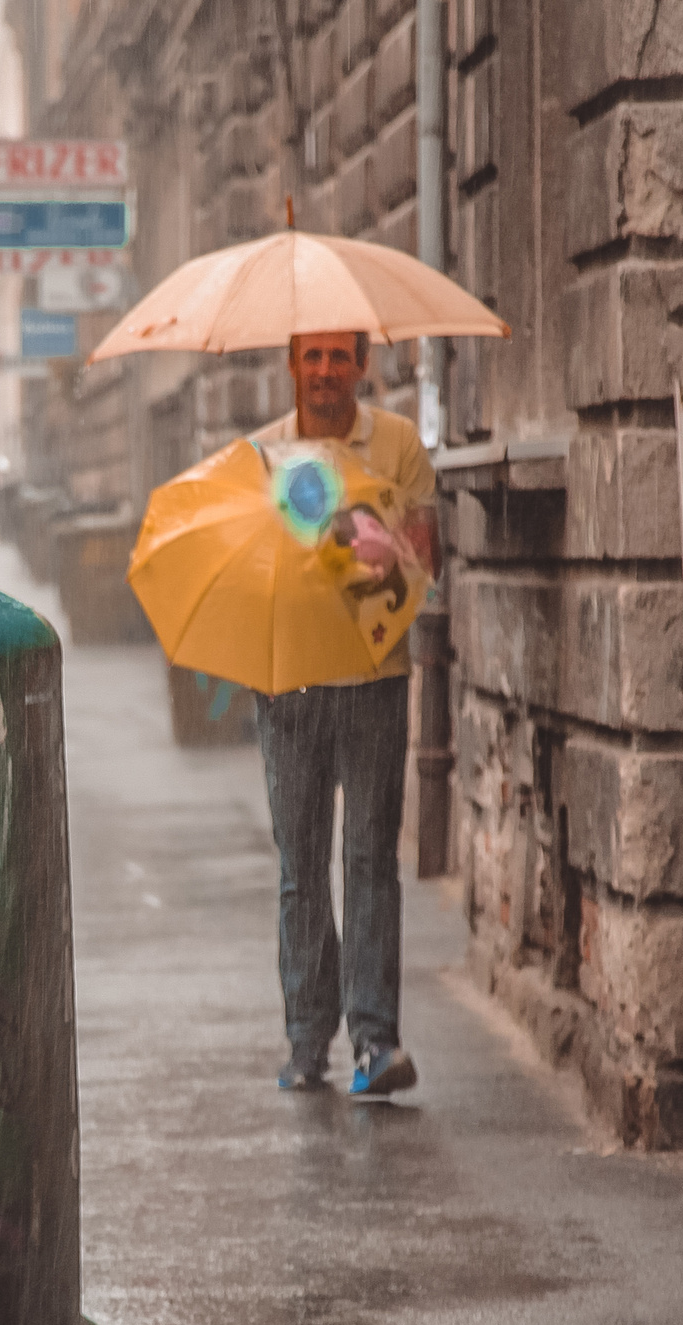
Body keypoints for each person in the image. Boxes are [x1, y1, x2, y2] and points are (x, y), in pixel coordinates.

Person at [251, 330, 437, 1096]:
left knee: (368, 861)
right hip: (289, 684)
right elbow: (252, 568)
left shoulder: (397, 445)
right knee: (301, 869)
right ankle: (306, 1041)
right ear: (290, 364)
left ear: (362, 364)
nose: (325, 370)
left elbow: (427, 554)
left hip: (372, 679)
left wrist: (396, 553)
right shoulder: (262, 457)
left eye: (338, 356)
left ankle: (375, 1042)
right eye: (311, 356)